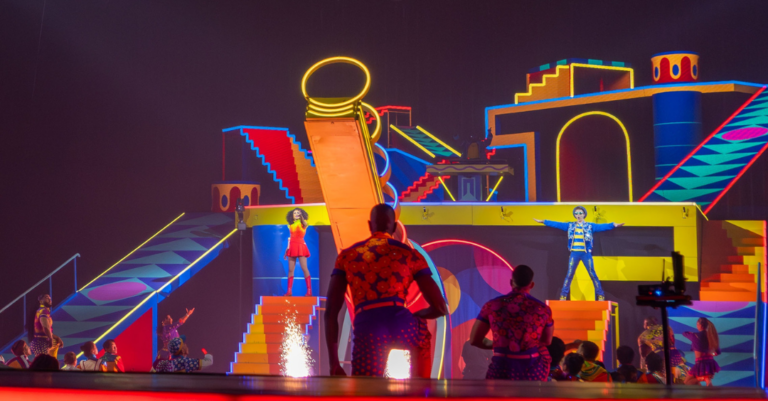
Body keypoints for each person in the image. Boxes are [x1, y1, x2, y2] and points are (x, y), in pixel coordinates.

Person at [325, 204, 448, 377]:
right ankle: (421, 392)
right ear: (395, 226)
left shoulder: (347, 256)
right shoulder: (410, 255)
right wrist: (419, 316)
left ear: (370, 225)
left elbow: (330, 312)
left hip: (367, 327)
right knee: (421, 336)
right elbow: (441, 308)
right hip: (400, 323)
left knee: (364, 389)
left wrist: (334, 364)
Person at [469, 265, 554, 381]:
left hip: (500, 370)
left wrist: (498, 345)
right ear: (532, 285)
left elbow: (474, 340)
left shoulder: (493, 305)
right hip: (532, 371)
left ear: (511, 282)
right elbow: (546, 341)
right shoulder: (542, 309)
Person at [533, 207, 623, 301]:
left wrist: (614, 225)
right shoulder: (570, 225)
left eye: (580, 213)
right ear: (574, 215)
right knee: (569, 274)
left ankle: (601, 295)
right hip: (574, 253)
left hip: (585, 254)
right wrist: (544, 221)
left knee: (592, 274)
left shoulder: (590, 226)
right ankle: (563, 295)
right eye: (576, 213)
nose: (578, 215)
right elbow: (557, 224)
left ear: (584, 214)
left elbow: (602, 227)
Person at [638, 316, 688, 382]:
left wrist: (643, 369)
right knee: (677, 377)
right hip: (675, 354)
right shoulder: (667, 328)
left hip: (660, 356)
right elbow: (672, 341)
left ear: (646, 325)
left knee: (664, 378)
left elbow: (643, 355)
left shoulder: (642, 336)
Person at [683, 317, 721, 386]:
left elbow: (684, 333)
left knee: (687, 382)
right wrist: (709, 353)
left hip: (700, 363)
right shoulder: (711, 336)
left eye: (697, 324)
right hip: (710, 363)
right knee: (703, 383)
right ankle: (707, 388)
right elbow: (716, 352)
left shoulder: (695, 335)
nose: (697, 326)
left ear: (699, 325)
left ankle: (704, 378)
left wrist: (691, 333)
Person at [284, 208, 312, 296]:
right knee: (290, 270)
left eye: (298, 213)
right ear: (292, 215)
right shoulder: (290, 225)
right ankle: (289, 291)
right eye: (294, 213)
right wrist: (287, 250)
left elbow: (304, 223)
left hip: (300, 246)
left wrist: (301, 217)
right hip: (292, 246)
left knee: (304, 268)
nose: (296, 214)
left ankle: (309, 291)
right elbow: (290, 237)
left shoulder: (304, 223)